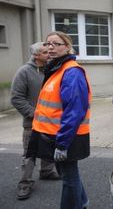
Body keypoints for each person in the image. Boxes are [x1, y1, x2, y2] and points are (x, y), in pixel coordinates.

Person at [26, 31, 91, 209]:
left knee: (69, 178)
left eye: (56, 44)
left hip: (67, 137)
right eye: (48, 44)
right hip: (56, 135)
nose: (51, 48)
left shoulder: (71, 72)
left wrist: (62, 144)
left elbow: (75, 111)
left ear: (67, 47)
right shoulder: (57, 69)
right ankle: (83, 203)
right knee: (69, 174)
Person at [11, 42, 61, 200]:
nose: (49, 54)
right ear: (36, 55)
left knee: (48, 148)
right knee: (29, 154)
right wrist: (35, 114)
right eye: (46, 52)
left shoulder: (50, 69)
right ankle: (25, 183)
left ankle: (47, 171)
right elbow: (16, 98)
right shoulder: (24, 72)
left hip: (49, 122)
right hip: (32, 123)